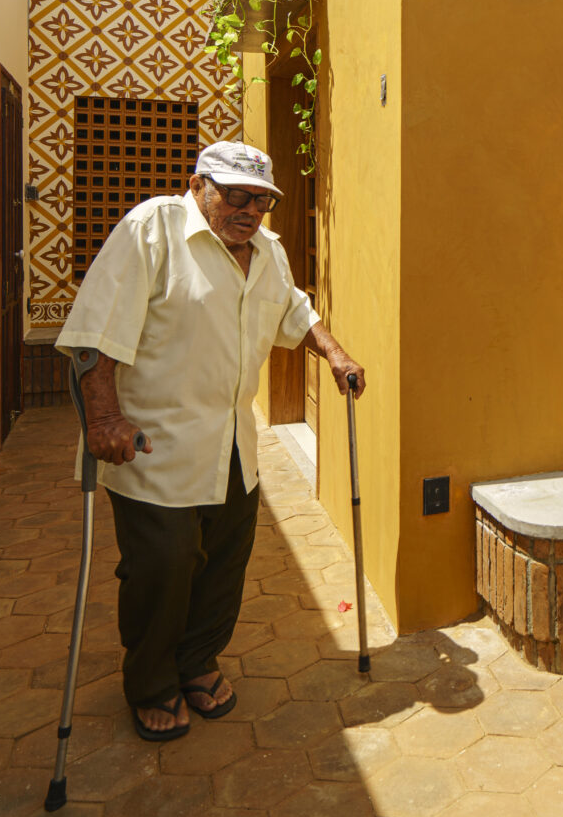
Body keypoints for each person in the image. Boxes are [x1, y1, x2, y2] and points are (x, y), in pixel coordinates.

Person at [56, 140, 364, 740]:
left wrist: (334, 351)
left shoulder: (267, 250)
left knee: (223, 564)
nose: (250, 210)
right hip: (154, 447)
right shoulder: (153, 229)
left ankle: (197, 661)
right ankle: (151, 683)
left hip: (233, 446)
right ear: (198, 185)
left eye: (262, 201)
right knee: (164, 567)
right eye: (236, 195)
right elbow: (96, 330)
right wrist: (104, 418)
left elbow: (293, 310)